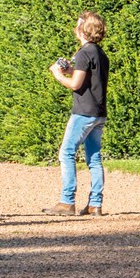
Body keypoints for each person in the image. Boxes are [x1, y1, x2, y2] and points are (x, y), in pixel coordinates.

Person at [43, 11, 109, 216]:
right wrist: (69, 69)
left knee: (66, 152)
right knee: (94, 158)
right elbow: (86, 76)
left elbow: (75, 84)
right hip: (98, 112)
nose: (74, 28)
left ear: (82, 30)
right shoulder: (99, 53)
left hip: (83, 112)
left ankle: (66, 201)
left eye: (77, 25)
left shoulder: (83, 53)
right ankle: (95, 204)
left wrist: (57, 74)